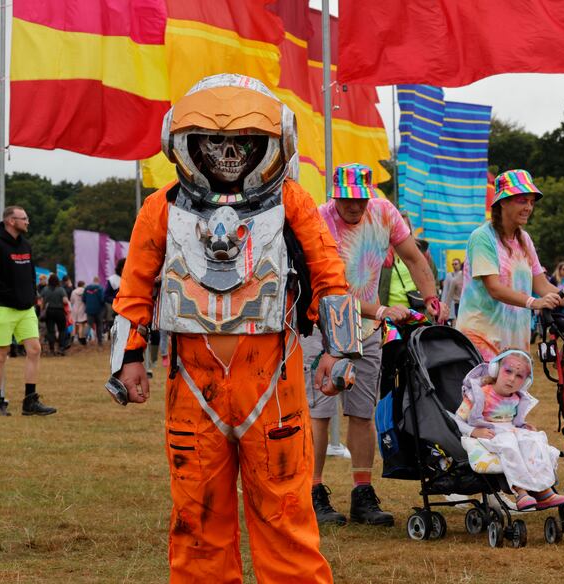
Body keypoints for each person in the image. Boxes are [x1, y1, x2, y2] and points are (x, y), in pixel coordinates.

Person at [109, 74, 358, 583]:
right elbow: (135, 287)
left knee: (286, 515)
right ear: (187, 144)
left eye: (243, 142)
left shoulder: (292, 202)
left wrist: (340, 350)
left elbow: (331, 276)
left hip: (273, 379)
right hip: (192, 383)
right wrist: (129, 357)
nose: (228, 153)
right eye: (214, 142)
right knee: (196, 519)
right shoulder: (161, 208)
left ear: (268, 143)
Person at [306, 163, 448, 527]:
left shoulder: (384, 212)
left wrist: (431, 299)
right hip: (322, 327)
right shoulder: (319, 221)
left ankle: (362, 493)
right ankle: (313, 492)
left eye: (360, 200)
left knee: (362, 412)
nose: (354, 206)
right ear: (335, 195)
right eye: (347, 199)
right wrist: (382, 308)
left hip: (367, 332)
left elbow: (414, 257)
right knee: (320, 413)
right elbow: (333, 290)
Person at [455, 169, 564, 361]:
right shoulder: (483, 237)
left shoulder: (524, 239)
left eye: (532, 202)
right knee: (486, 391)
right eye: (522, 200)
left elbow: (541, 285)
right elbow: (494, 288)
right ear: (503, 202)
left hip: (514, 339)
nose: (529, 207)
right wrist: (534, 303)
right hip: (482, 339)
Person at [452, 350, 564, 510]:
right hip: (489, 432)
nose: (512, 379)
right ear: (495, 369)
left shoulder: (516, 397)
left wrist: (523, 426)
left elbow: (514, 422)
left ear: (525, 382)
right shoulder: (478, 395)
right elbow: (457, 420)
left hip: (510, 431)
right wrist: (474, 431)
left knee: (534, 441)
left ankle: (543, 490)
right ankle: (520, 491)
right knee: (510, 446)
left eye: (519, 376)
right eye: (508, 371)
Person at [0, 205, 56, 416]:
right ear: (11, 221)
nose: (27, 221)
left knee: (34, 350)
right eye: (24, 218)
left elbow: (31, 275)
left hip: (25, 309)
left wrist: (31, 297)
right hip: (2, 309)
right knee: (1, 354)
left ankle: (30, 402)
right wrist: (13, 298)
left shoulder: (26, 245)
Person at [40, 274, 70, 355]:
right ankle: (61, 348)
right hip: (59, 311)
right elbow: (65, 301)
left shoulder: (45, 289)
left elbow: (41, 302)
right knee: (62, 330)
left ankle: (52, 349)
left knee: (50, 331)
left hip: (49, 311)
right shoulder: (61, 289)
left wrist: (42, 311)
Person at [83, 277, 104, 346]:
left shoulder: (86, 288)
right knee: (99, 325)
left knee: (89, 324)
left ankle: (84, 338)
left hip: (89, 310)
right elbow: (102, 299)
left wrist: (88, 304)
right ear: (98, 281)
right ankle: (100, 342)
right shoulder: (100, 288)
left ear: (93, 280)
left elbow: (83, 299)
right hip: (98, 310)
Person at [70, 280, 88, 345]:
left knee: (74, 325)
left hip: (75, 309)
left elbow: (71, 301)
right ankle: (81, 339)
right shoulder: (85, 291)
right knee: (81, 325)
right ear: (83, 285)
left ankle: (72, 338)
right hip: (82, 309)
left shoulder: (73, 291)